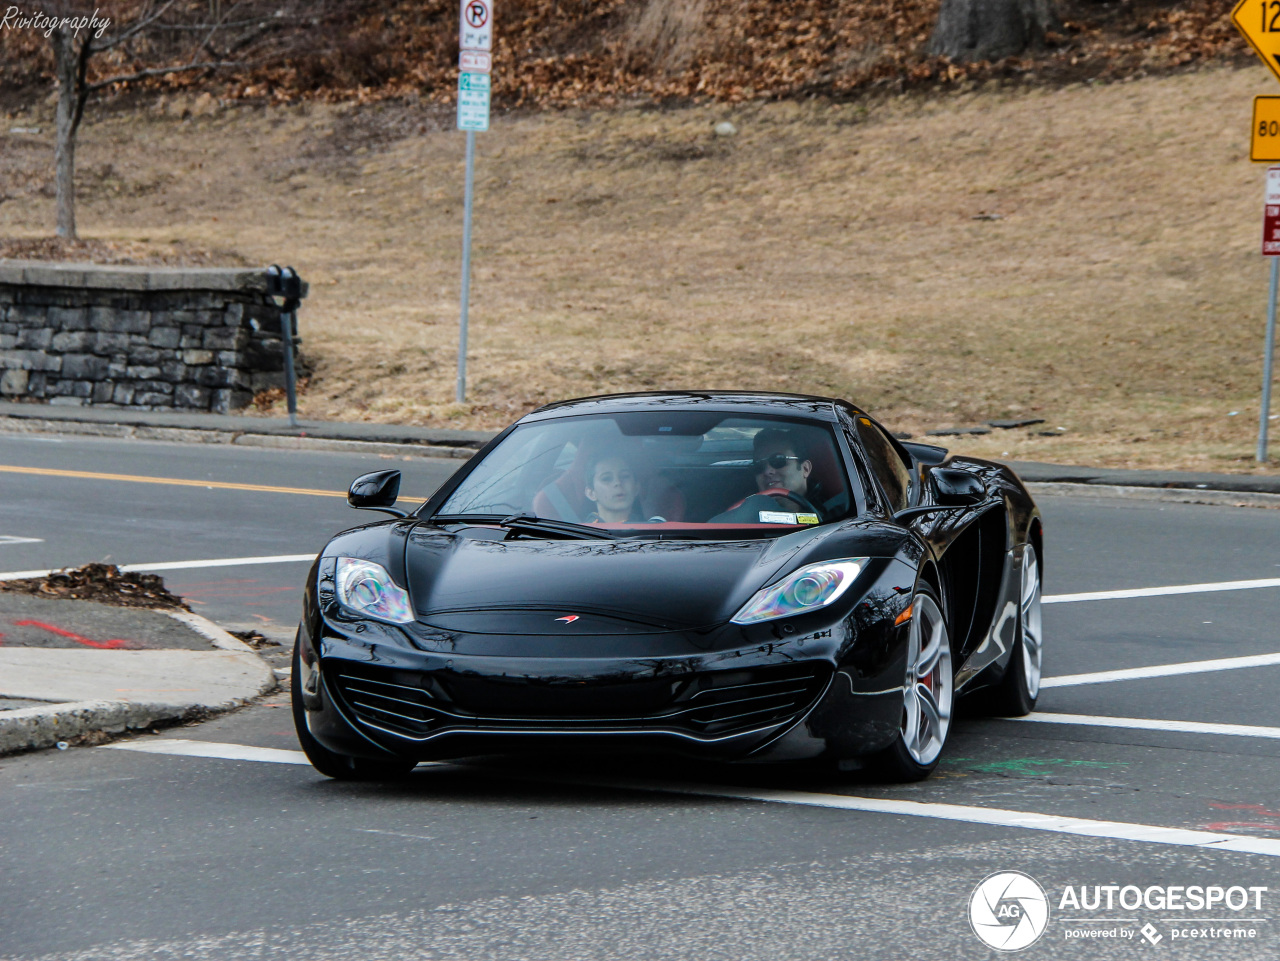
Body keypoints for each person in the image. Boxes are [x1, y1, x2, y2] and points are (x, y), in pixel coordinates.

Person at [710, 429, 823, 524]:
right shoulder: (743, 515)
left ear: (805, 469)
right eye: (759, 466)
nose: (768, 471)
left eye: (778, 460)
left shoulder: (834, 518)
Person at [583, 452, 645, 523]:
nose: (618, 482)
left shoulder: (653, 529)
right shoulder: (578, 531)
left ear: (636, 487)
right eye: (606, 478)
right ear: (591, 493)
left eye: (625, 476)